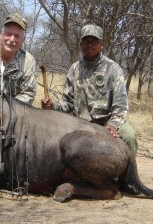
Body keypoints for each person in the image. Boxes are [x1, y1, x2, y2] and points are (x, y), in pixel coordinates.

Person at [41, 24, 138, 157]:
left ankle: (127, 176)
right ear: (80, 44)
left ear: (101, 45)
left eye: (94, 41)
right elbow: (68, 104)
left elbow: (120, 106)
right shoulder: (74, 69)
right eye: (86, 41)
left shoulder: (113, 69)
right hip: (79, 124)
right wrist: (53, 105)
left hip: (107, 123)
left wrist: (113, 125)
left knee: (129, 137)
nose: (90, 45)